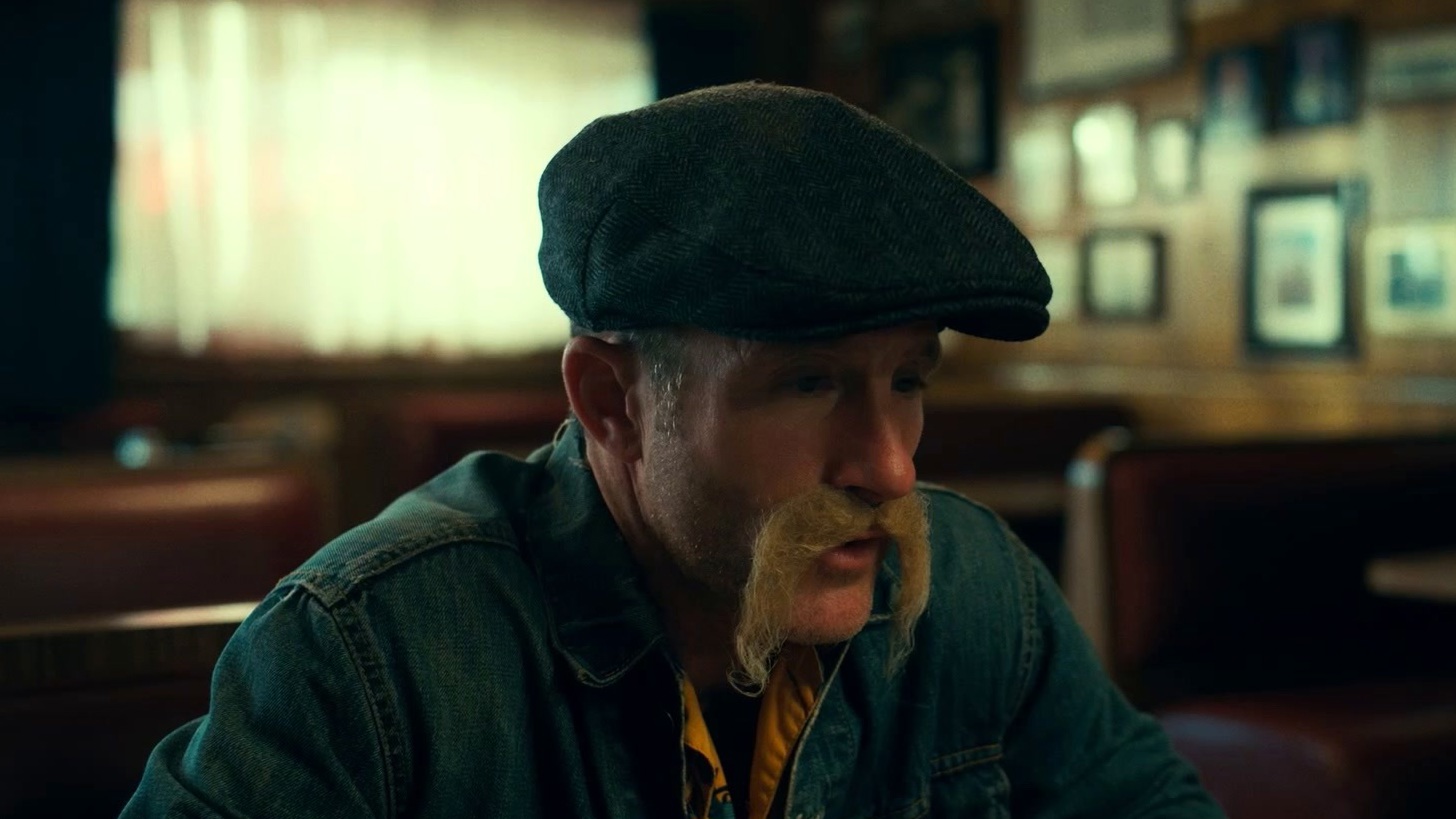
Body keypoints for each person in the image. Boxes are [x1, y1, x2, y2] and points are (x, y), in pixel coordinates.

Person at [122, 83, 1223, 819]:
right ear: (611, 401)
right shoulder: (371, 654)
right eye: (808, 384)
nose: (890, 471)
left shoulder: (977, 590)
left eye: (908, 381)